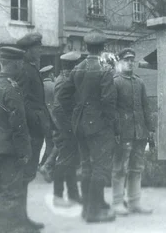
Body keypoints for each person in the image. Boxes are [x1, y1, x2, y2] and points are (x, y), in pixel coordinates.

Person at [58, 29, 118, 223]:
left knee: (86, 166)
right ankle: (94, 212)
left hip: (80, 125)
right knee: (100, 167)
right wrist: (110, 124)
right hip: (99, 126)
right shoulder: (105, 70)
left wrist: (76, 112)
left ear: (86, 47)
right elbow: (109, 102)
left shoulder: (78, 68)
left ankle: (87, 209)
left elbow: (63, 96)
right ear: (102, 49)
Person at [0, 47, 33, 233]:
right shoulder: (11, 88)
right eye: (21, 64)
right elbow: (19, 124)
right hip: (10, 149)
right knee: (11, 192)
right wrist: (24, 151)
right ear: (16, 63)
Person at [111, 48, 155, 215]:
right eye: (126, 60)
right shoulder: (115, 82)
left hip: (139, 132)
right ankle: (116, 202)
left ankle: (134, 202)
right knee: (119, 168)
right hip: (123, 132)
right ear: (120, 62)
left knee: (136, 168)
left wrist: (150, 129)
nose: (130, 63)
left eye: (132, 60)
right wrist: (116, 130)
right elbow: (112, 109)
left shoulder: (139, 82)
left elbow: (146, 107)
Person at [16, 32, 50, 230]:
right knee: (22, 177)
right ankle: (19, 220)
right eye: (36, 48)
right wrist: (36, 123)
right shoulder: (24, 70)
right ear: (27, 51)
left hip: (35, 130)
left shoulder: (31, 68)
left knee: (27, 177)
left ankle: (23, 218)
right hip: (29, 131)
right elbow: (22, 102)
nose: (40, 50)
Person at [49, 51, 83, 207]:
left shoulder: (68, 79)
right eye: (74, 66)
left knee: (71, 161)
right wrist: (67, 128)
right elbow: (57, 108)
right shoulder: (63, 82)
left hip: (68, 127)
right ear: (70, 67)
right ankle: (57, 196)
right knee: (63, 161)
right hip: (65, 128)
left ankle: (73, 194)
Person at [38, 64, 56, 181]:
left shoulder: (39, 87)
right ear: (51, 74)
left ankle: (42, 163)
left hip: (40, 119)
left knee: (44, 143)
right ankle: (46, 166)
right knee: (52, 144)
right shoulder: (54, 86)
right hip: (52, 119)